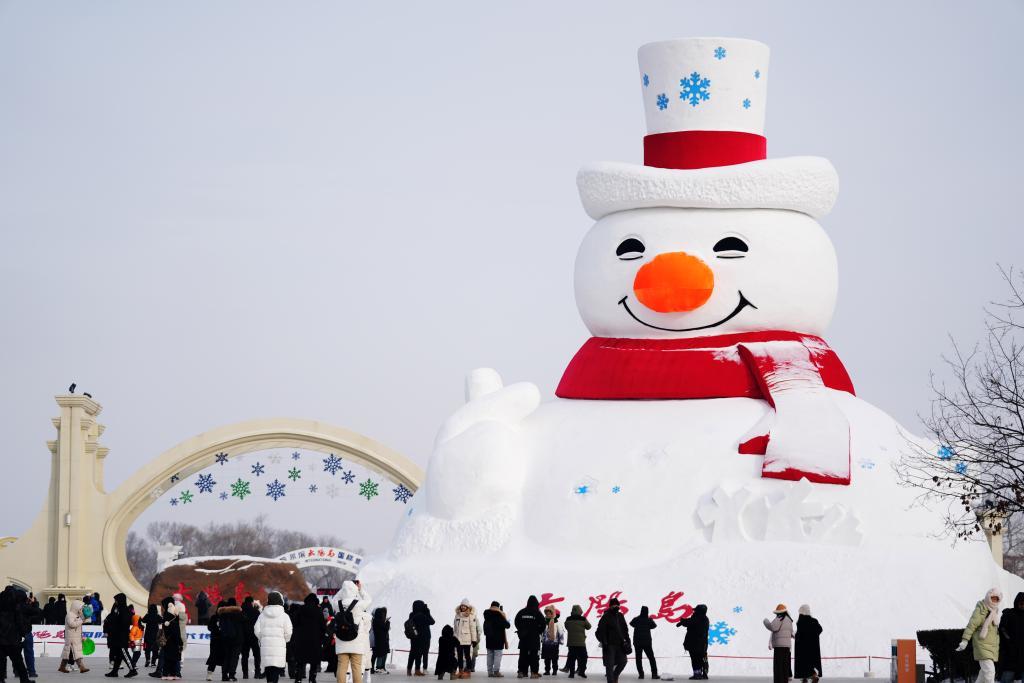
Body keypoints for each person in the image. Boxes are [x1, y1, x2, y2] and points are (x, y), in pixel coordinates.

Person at [958, 588, 1004, 683]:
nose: (994, 600)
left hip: (991, 647)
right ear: (988, 597)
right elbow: (972, 625)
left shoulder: (995, 611)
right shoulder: (981, 609)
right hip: (981, 645)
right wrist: (965, 640)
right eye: (993, 598)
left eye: (996, 599)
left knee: (984, 674)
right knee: (990, 672)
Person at [335, 580, 372, 683]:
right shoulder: (359, 604)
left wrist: (343, 590)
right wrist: (360, 589)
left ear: (343, 591)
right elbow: (369, 599)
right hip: (356, 640)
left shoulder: (337, 604)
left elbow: (335, 598)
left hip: (341, 639)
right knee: (356, 667)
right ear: (354, 589)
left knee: (342, 666)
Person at [255, 592, 293, 683]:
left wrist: (262, 638)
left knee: (268, 667)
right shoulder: (284, 616)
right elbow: (288, 632)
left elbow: (256, 630)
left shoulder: (262, 615)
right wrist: (285, 640)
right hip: (279, 647)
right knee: (276, 668)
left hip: (266, 647)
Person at [293, 594, 326, 683]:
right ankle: (312, 678)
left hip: (301, 639)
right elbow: (323, 626)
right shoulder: (318, 610)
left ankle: (298, 678)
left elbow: (295, 623)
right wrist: (321, 638)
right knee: (314, 660)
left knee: (300, 660)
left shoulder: (300, 609)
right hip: (315, 640)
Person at [595, 599, 629, 683]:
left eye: (617, 605)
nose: (616, 607)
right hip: (609, 645)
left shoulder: (621, 615)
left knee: (623, 662)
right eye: (614, 605)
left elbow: (625, 630)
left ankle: (615, 675)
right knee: (609, 666)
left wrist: (627, 641)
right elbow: (598, 632)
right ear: (610, 606)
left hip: (620, 644)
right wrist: (604, 641)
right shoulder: (606, 616)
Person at [106, 593, 138, 678]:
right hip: (117, 636)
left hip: (122, 636)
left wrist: (115, 625)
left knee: (124, 653)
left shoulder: (125, 610)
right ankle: (114, 671)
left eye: (116, 600)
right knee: (118, 654)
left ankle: (132, 670)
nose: (115, 601)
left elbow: (123, 623)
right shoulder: (117, 609)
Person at [514, 597, 544, 680]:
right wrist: (538, 631)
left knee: (523, 655)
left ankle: (521, 672)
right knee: (534, 655)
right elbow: (543, 624)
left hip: (523, 638)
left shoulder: (521, 612)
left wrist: (521, 630)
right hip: (534, 638)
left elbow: (516, 621)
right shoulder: (537, 613)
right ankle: (534, 673)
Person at [676, 605, 709, 681]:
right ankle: (703, 674)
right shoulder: (704, 618)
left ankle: (697, 674)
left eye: (695, 610)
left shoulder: (698, 618)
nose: (694, 611)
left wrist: (682, 621)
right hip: (702, 644)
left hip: (695, 644)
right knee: (701, 659)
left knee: (695, 659)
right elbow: (690, 621)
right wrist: (683, 622)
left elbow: (690, 622)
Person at [764, 605, 795, 683]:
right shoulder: (789, 620)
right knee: (785, 667)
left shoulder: (779, 618)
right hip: (787, 647)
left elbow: (773, 627)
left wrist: (766, 621)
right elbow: (791, 633)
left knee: (778, 667)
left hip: (779, 647)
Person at [58, 599, 90, 674]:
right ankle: (82, 667)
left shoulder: (77, 615)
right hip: (71, 636)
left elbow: (84, 622)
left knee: (70, 653)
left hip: (76, 637)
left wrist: (86, 616)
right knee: (73, 652)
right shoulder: (70, 615)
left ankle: (62, 667)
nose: (81, 610)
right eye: (80, 608)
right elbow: (72, 624)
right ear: (76, 607)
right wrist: (81, 620)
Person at [999, 593, 1024, 683]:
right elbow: (1002, 629)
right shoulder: (1009, 613)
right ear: (1017, 603)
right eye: (1021, 603)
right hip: (1010, 657)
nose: (1023, 605)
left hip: (1022, 657)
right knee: (1006, 679)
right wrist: (1009, 641)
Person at [794, 606, 822, 683]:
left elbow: (799, 635)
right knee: (812, 662)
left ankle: (805, 677)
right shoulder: (814, 621)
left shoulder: (801, 622)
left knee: (803, 662)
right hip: (813, 646)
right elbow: (820, 629)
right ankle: (814, 675)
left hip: (803, 647)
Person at [407, 601, 435, 676]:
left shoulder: (412, 614)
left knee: (413, 653)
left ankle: (409, 670)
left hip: (414, 637)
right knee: (421, 653)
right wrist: (428, 612)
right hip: (424, 637)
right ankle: (417, 670)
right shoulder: (422, 615)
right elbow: (432, 622)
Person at [483, 602, 510, 678]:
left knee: (489, 656)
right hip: (498, 640)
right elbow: (508, 625)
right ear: (498, 608)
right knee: (497, 656)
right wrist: (503, 615)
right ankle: (496, 671)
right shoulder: (499, 615)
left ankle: (490, 672)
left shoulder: (487, 615)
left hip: (489, 639)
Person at [453, 600, 479, 678]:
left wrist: (474, 640)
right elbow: (455, 628)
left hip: (467, 640)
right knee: (459, 656)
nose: (463, 607)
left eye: (464, 606)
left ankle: (468, 672)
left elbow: (473, 628)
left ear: (467, 607)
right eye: (462, 605)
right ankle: (460, 671)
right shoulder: (457, 615)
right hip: (458, 640)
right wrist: (454, 638)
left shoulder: (471, 616)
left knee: (468, 656)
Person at [563, 606, 590, 679]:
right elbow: (589, 627)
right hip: (581, 643)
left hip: (571, 643)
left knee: (572, 658)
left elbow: (566, 627)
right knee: (583, 658)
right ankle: (582, 672)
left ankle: (571, 674)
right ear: (580, 611)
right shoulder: (583, 619)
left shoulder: (568, 619)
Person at [161, 597, 184, 681]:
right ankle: (172, 674)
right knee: (173, 659)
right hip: (173, 641)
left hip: (167, 641)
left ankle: (165, 673)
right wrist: (180, 642)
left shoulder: (166, 616)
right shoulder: (173, 617)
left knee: (167, 658)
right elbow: (176, 631)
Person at [241, 596, 263, 680]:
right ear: (251, 602)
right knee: (257, 655)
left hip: (244, 637)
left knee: (244, 656)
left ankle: (245, 674)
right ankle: (257, 672)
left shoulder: (241, 611)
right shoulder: (256, 611)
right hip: (254, 636)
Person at [541, 607, 564, 677]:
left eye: (549, 613)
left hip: (554, 643)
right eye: (547, 613)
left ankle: (554, 670)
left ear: (552, 614)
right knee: (546, 658)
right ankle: (547, 670)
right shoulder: (544, 622)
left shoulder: (557, 622)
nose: (548, 614)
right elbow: (541, 631)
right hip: (546, 643)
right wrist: (541, 639)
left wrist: (561, 641)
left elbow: (561, 632)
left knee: (554, 658)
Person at [371, 608, 390, 674]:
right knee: (379, 654)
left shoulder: (375, 620)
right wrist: (387, 622)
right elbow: (386, 629)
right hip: (380, 640)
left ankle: (374, 668)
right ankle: (378, 668)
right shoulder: (378, 621)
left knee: (376, 654)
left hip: (378, 640)